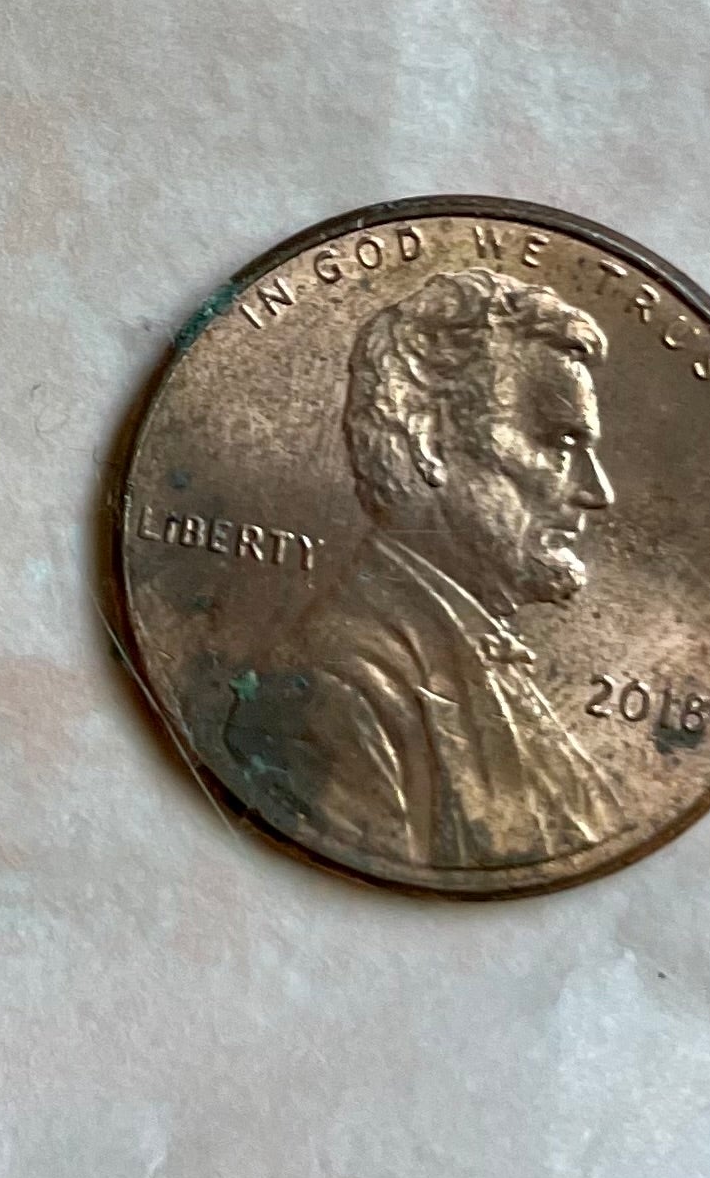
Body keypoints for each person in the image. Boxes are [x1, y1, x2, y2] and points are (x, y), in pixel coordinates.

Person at [224, 267, 624, 870]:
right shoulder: (334, 692)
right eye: (560, 445)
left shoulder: (476, 658)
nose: (597, 492)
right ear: (429, 439)